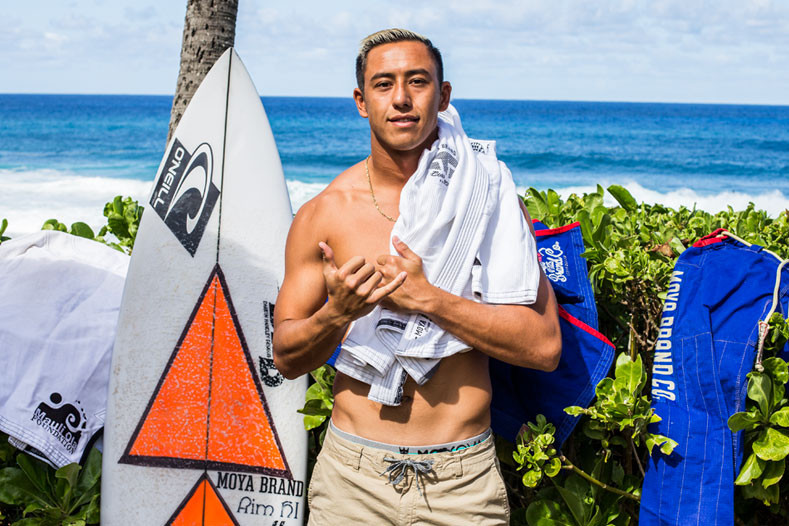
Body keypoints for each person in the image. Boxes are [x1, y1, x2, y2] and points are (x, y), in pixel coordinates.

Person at [273, 28, 562, 525]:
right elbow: (287, 356)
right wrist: (338, 313)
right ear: (362, 102)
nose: (402, 99)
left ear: (443, 95)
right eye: (384, 85)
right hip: (351, 482)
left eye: (418, 82)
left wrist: (429, 299)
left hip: (461, 482)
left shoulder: (485, 199)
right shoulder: (323, 215)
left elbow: (543, 347)